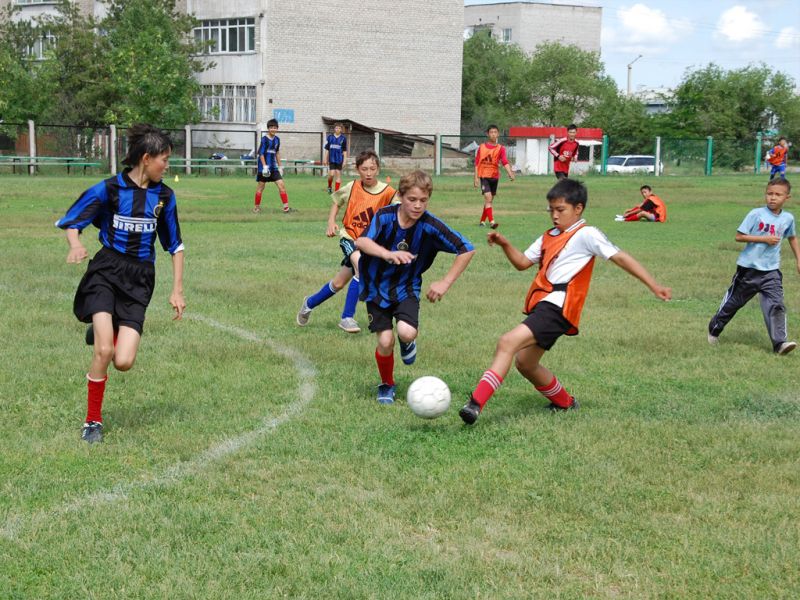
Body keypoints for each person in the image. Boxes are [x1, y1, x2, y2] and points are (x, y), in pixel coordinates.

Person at [460, 178, 671, 425]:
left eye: (560, 210)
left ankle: (475, 404)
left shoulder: (587, 234)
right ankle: (565, 403)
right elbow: (522, 263)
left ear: (578, 208)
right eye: (551, 210)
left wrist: (653, 285)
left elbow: (621, 258)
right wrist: (505, 243)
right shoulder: (549, 236)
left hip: (560, 306)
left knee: (507, 342)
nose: (555, 216)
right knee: (526, 363)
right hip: (545, 304)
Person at [55, 124, 186, 443]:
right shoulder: (109, 190)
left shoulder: (165, 196)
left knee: (123, 360)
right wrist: (75, 244)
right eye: (164, 160)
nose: (167, 166)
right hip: (106, 271)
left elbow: (175, 245)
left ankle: (104, 327)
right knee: (104, 350)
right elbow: (72, 221)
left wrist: (177, 289)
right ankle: (92, 423)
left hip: (140, 279)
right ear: (146, 158)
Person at [356, 170, 475, 404]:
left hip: (407, 287)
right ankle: (387, 385)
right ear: (400, 196)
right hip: (376, 287)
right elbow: (361, 241)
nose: (418, 205)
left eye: (423, 200)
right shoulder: (384, 216)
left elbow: (466, 248)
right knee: (385, 341)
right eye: (412, 199)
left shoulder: (430, 225)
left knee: (406, 332)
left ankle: (407, 341)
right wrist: (387, 254)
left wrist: (445, 282)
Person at [297, 150, 395, 333]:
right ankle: (347, 317)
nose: (368, 173)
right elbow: (336, 201)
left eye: (372, 169)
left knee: (339, 283)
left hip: (371, 244)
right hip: (350, 237)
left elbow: (399, 209)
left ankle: (309, 303)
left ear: (378, 169)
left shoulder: (388, 192)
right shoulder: (352, 187)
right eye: (364, 169)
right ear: (358, 170)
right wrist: (331, 222)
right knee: (362, 267)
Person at [708, 178, 799, 355]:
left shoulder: (788, 218)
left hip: (772, 271)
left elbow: (792, 238)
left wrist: (798, 259)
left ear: (787, 198)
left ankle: (780, 343)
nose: (772, 198)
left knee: (776, 304)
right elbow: (739, 237)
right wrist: (764, 239)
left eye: (777, 195)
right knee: (734, 303)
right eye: (769, 193)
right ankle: (714, 328)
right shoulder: (756, 214)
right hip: (748, 270)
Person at [474, 124, 515, 228]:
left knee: (489, 201)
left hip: (495, 177)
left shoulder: (501, 148)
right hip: (484, 176)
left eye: (495, 132)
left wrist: (510, 172)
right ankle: (492, 222)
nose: (493, 134)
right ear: (488, 134)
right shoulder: (482, 147)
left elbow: (504, 161)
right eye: (491, 132)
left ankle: (482, 221)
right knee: (488, 198)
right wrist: (476, 178)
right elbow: (477, 163)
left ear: (498, 134)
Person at [253, 118, 294, 214]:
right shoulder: (264, 140)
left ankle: (286, 208)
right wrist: (264, 166)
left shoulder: (277, 140)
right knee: (261, 187)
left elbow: (277, 153)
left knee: (281, 185)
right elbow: (261, 154)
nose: (273, 129)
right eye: (271, 127)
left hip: (274, 168)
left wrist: (280, 167)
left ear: (277, 129)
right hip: (264, 168)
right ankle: (256, 207)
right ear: (268, 128)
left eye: (275, 127)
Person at [324, 122, 349, 194]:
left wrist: (344, 160)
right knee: (331, 174)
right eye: (336, 128)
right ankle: (329, 186)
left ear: (341, 129)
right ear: (334, 129)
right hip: (331, 159)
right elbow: (327, 149)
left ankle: (336, 191)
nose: (337, 129)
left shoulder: (343, 138)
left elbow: (344, 151)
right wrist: (325, 159)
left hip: (339, 159)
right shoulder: (330, 137)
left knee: (338, 174)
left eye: (339, 128)